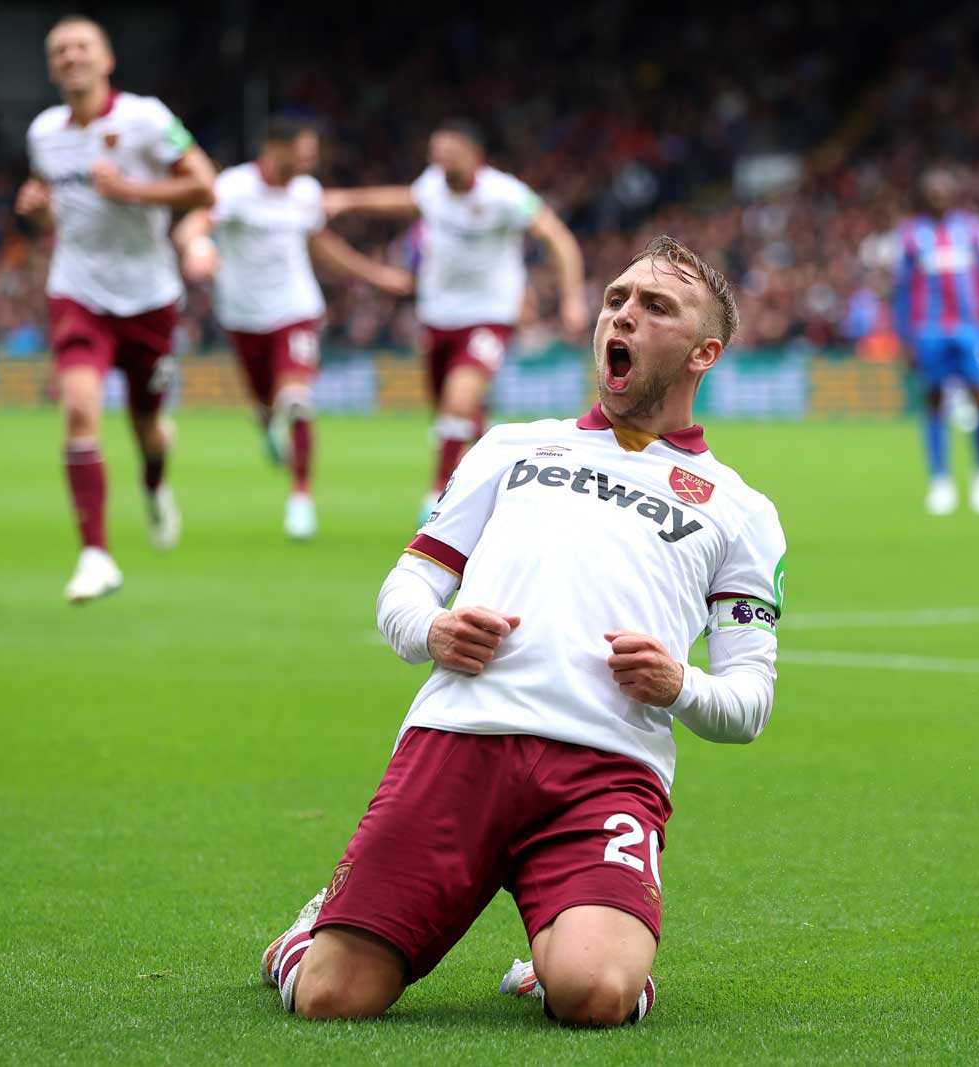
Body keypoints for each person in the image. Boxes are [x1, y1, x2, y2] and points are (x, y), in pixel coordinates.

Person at [258, 236, 787, 1028]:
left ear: (703, 352)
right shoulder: (510, 446)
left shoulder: (740, 508)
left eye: (655, 307)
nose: (624, 314)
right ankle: (308, 933)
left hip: (606, 771)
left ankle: (565, 956)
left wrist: (683, 684)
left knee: (596, 994)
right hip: (459, 741)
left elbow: (749, 700)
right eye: (616, 300)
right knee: (333, 998)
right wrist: (433, 630)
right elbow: (406, 587)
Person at [17, 14, 216, 601]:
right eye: (59, 50)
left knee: (149, 430)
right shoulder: (43, 133)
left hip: (150, 298)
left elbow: (205, 185)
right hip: (77, 292)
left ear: (106, 61)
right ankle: (95, 554)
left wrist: (132, 192)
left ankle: (155, 486)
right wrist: (36, 211)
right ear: (52, 67)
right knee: (79, 412)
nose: (70, 56)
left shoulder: (147, 119)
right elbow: (57, 213)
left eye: (81, 47)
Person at [322, 119, 587, 513]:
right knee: (449, 413)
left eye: (448, 153)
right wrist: (348, 201)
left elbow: (559, 238)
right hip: (437, 315)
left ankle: (437, 497)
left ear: (473, 155)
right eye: (435, 153)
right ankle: (497, 459)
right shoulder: (432, 185)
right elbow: (403, 200)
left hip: (489, 315)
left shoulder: (505, 194)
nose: (440, 160)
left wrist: (572, 298)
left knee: (457, 402)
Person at [174, 119, 413, 539]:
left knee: (298, 399)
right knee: (267, 407)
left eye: (311, 154)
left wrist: (375, 274)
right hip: (243, 315)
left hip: (295, 308)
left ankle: (300, 498)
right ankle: (268, 426)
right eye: (301, 153)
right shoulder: (233, 188)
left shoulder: (306, 193)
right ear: (273, 148)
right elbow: (193, 224)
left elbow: (322, 246)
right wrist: (198, 246)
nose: (308, 161)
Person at [888, 168, 979, 516]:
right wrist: (905, 337)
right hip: (929, 330)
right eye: (932, 191)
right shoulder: (910, 235)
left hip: (970, 330)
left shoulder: (975, 230)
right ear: (924, 196)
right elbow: (903, 290)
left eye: (944, 190)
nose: (938, 196)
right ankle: (940, 482)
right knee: (934, 402)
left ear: (954, 194)